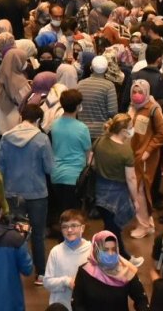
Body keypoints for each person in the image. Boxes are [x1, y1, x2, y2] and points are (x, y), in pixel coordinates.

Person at [0, 103, 56, 282]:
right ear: (38, 120)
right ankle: (40, 273)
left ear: (21, 117)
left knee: (14, 233)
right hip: (37, 193)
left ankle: (14, 270)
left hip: (12, 192)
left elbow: (0, 167)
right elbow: (49, 168)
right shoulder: (42, 139)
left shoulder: (6, 137)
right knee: (37, 234)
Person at [92, 114, 144, 265]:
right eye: (130, 128)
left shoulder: (100, 141)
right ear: (123, 131)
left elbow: (92, 162)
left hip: (100, 190)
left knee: (110, 227)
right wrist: (135, 200)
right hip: (117, 194)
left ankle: (112, 256)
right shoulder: (125, 151)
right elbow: (131, 178)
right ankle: (121, 258)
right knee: (113, 229)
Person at [126, 79, 163, 238]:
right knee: (139, 190)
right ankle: (147, 223)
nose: (136, 95)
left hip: (145, 157)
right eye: (134, 92)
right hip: (133, 154)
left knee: (140, 190)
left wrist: (148, 151)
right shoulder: (133, 107)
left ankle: (143, 225)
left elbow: (162, 134)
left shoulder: (153, 109)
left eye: (140, 92)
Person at [70, 230, 149, 311]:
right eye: (105, 250)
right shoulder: (85, 272)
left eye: (113, 249)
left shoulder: (126, 271)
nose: (110, 253)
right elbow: (77, 303)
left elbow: (141, 299)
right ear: (96, 249)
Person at [49, 89, 91, 228]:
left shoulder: (54, 125)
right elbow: (87, 153)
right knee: (74, 216)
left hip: (56, 174)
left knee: (62, 211)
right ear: (78, 106)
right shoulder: (82, 128)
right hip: (75, 177)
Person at [44, 209, 92, 306]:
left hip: (84, 305)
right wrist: (66, 281)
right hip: (61, 305)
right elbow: (47, 282)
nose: (69, 230)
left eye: (74, 225)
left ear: (82, 228)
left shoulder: (91, 250)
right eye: (65, 227)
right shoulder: (56, 252)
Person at [78, 55, 118, 140]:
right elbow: (113, 111)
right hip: (101, 132)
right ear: (107, 70)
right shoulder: (109, 86)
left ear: (91, 68)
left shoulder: (80, 84)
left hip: (81, 130)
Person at [0, 46, 32, 134]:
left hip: (3, 125)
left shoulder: (0, 79)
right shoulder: (19, 82)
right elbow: (27, 103)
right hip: (18, 126)